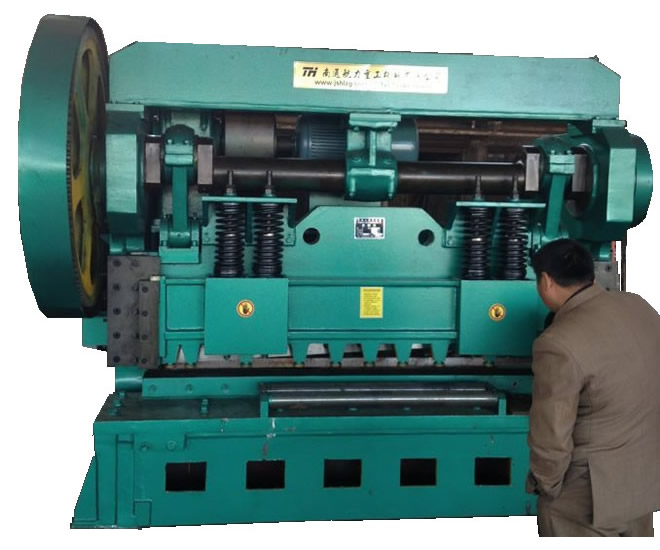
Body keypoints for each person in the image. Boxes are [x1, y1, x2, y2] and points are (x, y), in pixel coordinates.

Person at [526, 238, 660, 536]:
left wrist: (547, 485)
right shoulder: (639, 306)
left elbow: (552, 435)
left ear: (546, 281)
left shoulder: (558, 342)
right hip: (641, 483)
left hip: (585, 500)